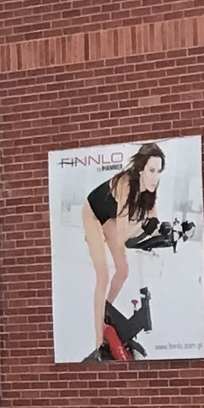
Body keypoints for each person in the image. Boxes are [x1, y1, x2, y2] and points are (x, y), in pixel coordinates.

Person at [80, 145, 167, 361]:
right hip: (93, 213)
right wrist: (145, 228)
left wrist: (160, 229)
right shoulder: (126, 184)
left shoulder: (151, 185)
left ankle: (105, 314)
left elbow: (152, 217)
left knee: (123, 271)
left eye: (159, 171)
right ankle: (99, 341)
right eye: (151, 171)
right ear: (140, 170)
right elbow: (122, 236)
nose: (155, 177)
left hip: (111, 216)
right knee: (104, 275)